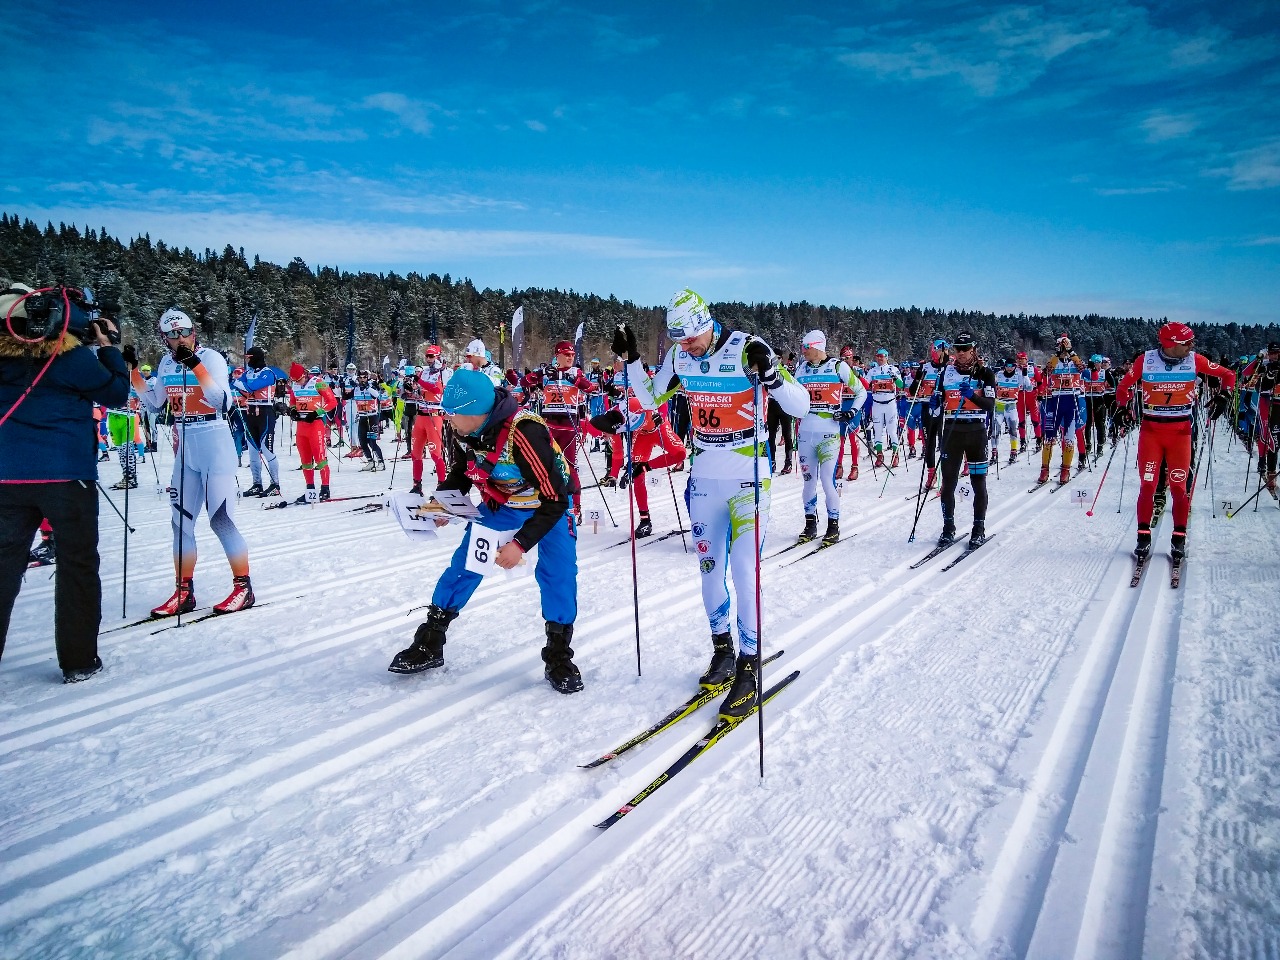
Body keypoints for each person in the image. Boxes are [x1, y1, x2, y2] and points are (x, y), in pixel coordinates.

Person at [611, 288, 809, 720]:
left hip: (747, 477)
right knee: (708, 570)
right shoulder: (680, 357)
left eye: (691, 337)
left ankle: (749, 664)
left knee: (744, 571)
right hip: (704, 477)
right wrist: (631, 362)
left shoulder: (746, 349)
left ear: (707, 323)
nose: (687, 347)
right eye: (678, 339)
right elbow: (650, 399)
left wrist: (772, 375)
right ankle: (722, 650)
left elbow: (802, 404)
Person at [387, 369, 583, 693]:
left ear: (475, 412)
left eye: (452, 414)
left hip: (549, 507)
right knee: (465, 565)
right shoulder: (467, 430)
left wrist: (519, 545)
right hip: (503, 505)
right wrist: (440, 505)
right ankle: (430, 642)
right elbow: (463, 472)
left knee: (558, 573)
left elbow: (556, 498)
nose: (447, 419)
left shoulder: (525, 433)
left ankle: (559, 655)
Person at [0, 283, 130, 682]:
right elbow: (115, 393)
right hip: (66, 473)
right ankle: (78, 660)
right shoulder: (67, 356)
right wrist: (108, 347)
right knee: (77, 564)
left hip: (6, 475)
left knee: (3, 566)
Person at [133, 308, 254, 616]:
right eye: (173, 334)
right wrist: (133, 372)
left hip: (214, 439)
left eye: (184, 331)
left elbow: (222, 401)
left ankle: (243, 588)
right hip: (185, 445)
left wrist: (197, 366)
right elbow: (153, 403)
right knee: (180, 524)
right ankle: (183, 592)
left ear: (193, 331)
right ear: (165, 338)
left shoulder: (212, 358)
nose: (180, 338)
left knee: (220, 519)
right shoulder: (165, 362)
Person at [1113, 322, 1236, 561]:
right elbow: (1124, 386)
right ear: (1170, 344)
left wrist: (1225, 394)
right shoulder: (1144, 360)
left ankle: (1179, 538)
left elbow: (1227, 374)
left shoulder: (1195, 360)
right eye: (1186, 342)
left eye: (1192, 341)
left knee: (1179, 487)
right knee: (1148, 486)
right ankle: (1143, 537)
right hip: (1151, 432)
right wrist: (1122, 407)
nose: (1192, 345)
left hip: (1180, 432)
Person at [794, 329, 865, 545]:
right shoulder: (801, 369)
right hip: (805, 432)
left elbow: (861, 391)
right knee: (808, 482)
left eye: (806, 347)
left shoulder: (837, 366)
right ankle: (810, 523)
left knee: (827, 480)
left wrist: (851, 412)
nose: (803, 351)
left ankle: (833, 525)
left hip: (829, 433)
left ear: (817, 347)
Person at [932, 331, 997, 547]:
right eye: (958, 349)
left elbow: (990, 405)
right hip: (952, 431)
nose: (961, 353)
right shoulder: (945, 373)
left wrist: (972, 396)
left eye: (965, 349)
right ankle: (948, 528)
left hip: (976, 432)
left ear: (973, 349)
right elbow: (938, 399)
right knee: (948, 484)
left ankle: (978, 529)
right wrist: (934, 403)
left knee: (978, 483)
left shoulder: (985, 373)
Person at [590, 396, 687, 537]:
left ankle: (644, 466)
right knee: (637, 475)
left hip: (660, 428)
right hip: (642, 435)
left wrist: (661, 414)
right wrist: (613, 476)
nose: (603, 437)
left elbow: (659, 397)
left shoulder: (632, 405)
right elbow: (617, 454)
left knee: (679, 454)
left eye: (603, 434)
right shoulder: (613, 428)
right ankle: (645, 521)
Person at [536, 340, 598, 522]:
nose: (570, 358)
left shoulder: (576, 372)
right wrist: (542, 373)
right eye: (567, 355)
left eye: (572, 355)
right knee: (546, 466)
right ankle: (548, 502)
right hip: (549, 426)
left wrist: (575, 380)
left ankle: (575, 507)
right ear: (558, 355)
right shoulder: (548, 373)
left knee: (570, 467)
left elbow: (592, 389)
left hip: (569, 426)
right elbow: (525, 382)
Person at [232, 346, 285, 498]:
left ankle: (275, 484)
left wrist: (241, 385)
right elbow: (235, 385)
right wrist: (241, 385)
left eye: (250, 357)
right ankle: (257, 484)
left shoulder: (267, 373)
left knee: (266, 449)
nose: (248, 360)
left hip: (265, 412)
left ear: (256, 357)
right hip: (250, 411)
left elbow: (250, 387)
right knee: (253, 450)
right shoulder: (248, 372)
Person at [1035, 336, 1085, 486]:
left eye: (1065, 347)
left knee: (1069, 437)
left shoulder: (1074, 362)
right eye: (1060, 347)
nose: (1063, 350)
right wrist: (1058, 354)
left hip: (1071, 401)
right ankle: (1044, 469)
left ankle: (1065, 470)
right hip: (1054, 401)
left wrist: (1070, 351)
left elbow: (1083, 368)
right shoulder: (1054, 361)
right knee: (1049, 438)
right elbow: (1047, 371)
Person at [285, 362, 337, 503]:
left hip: (315, 425)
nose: (297, 383)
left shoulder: (318, 382)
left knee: (320, 459)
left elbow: (332, 402)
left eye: (299, 379)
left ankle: (325, 489)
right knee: (305, 461)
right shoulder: (295, 385)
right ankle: (310, 490)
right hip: (301, 427)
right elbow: (293, 401)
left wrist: (317, 412)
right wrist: (293, 410)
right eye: (294, 381)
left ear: (305, 374)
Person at [410, 344, 451, 495]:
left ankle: (441, 484)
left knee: (435, 454)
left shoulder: (443, 372)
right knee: (416, 453)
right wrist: (410, 391)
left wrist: (419, 383)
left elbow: (437, 390)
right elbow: (419, 390)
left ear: (438, 356)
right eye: (427, 356)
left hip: (434, 416)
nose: (428, 359)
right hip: (421, 415)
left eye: (431, 356)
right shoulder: (424, 372)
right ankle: (416, 485)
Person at [866, 348, 904, 468]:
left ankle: (895, 454)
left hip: (890, 403)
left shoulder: (893, 369)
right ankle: (879, 454)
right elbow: (865, 385)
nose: (879, 358)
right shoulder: (872, 371)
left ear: (887, 357)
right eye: (878, 356)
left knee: (892, 431)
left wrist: (895, 378)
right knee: (877, 430)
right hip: (877, 403)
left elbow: (901, 385)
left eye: (882, 356)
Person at [991, 357, 1028, 465]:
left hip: (1011, 406)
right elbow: (991, 384)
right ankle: (994, 452)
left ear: (1015, 367)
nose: (1009, 368)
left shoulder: (1018, 375)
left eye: (1011, 366)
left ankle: (1013, 451)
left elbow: (1028, 386)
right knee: (995, 430)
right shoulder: (999, 375)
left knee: (1012, 429)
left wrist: (1025, 374)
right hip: (999, 406)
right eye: (1007, 366)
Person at [353, 369, 387, 470]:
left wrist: (367, 387)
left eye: (364, 377)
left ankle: (381, 463)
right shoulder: (357, 388)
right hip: (362, 417)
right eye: (360, 377)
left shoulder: (372, 385)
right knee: (362, 442)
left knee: (372, 442)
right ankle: (370, 461)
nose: (362, 379)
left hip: (372, 417)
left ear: (367, 378)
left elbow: (377, 395)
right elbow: (346, 396)